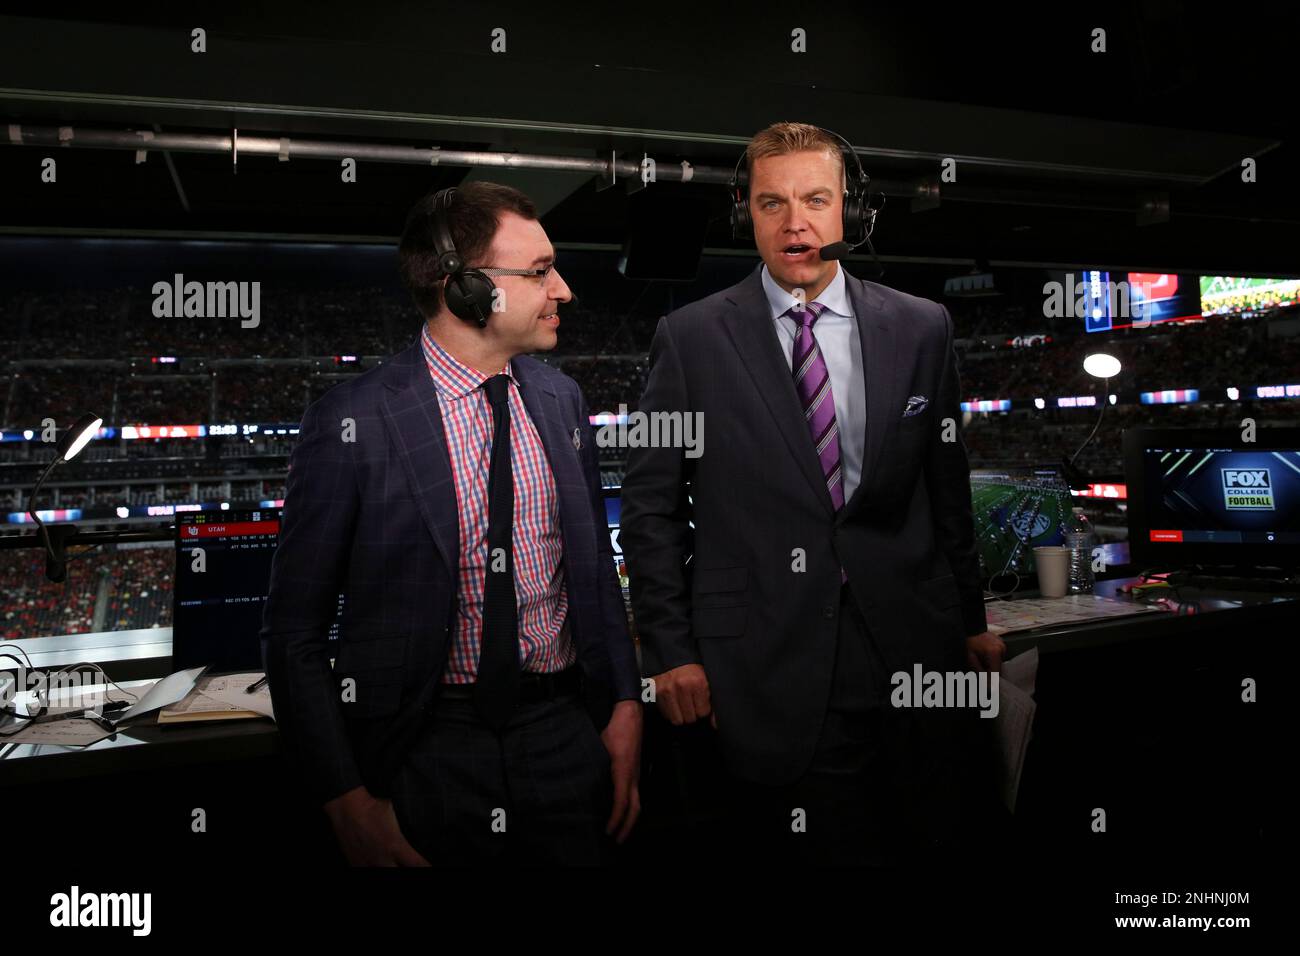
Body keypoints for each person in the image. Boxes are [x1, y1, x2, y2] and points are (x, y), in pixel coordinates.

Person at [620, 122, 1005, 866]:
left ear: (849, 213)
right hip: (765, 659)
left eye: (815, 200)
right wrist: (669, 651)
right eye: (772, 204)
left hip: (914, 650)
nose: (795, 223)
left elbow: (945, 486)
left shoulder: (924, 327)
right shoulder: (690, 337)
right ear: (746, 214)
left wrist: (970, 618)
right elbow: (649, 508)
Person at [261, 181, 642, 866]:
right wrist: (344, 798)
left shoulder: (561, 401)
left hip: (563, 731)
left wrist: (621, 704)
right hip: (426, 745)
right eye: (538, 272)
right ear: (462, 287)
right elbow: (294, 631)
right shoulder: (355, 418)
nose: (563, 289)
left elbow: (592, 577)